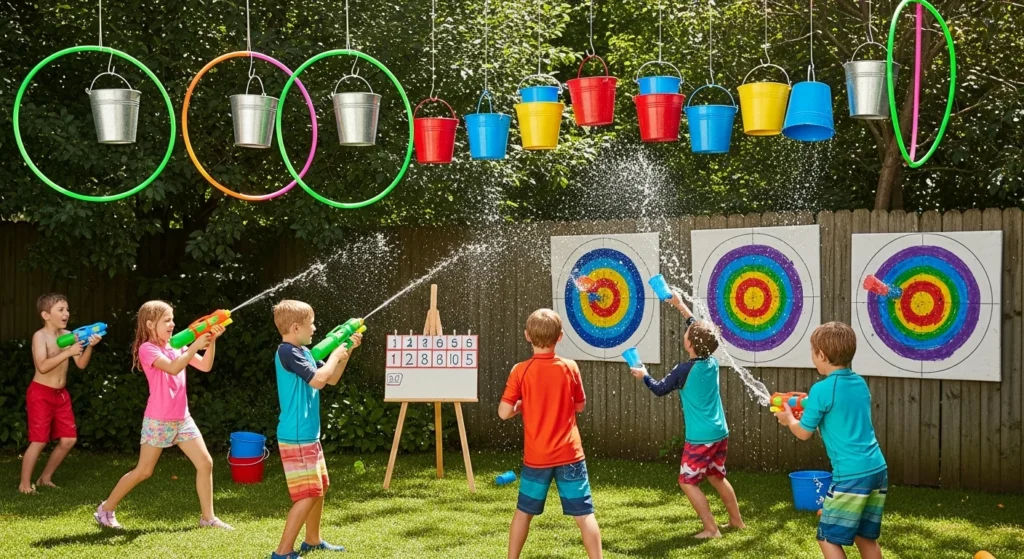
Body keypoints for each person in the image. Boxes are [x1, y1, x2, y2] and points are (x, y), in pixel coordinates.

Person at [94, 301, 231, 530]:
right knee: (144, 470)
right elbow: (173, 368)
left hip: (182, 418)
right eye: (166, 320)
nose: (172, 324)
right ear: (150, 324)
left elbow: (205, 366)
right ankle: (106, 509)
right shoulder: (148, 349)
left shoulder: (176, 345)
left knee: (205, 463)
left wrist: (211, 341)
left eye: (172, 319)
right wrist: (195, 345)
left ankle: (208, 518)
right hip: (158, 419)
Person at [630, 293, 744, 538]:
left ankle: (711, 529)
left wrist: (644, 375)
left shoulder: (684, 370)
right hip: (719, 432)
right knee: (716, 475)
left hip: (700, 438)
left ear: (690, 344)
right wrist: (680, 306)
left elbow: (660, 389)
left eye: (687, 334)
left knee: (687, 481)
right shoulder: (712, 361)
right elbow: (699, 330)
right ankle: (736, 522)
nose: (686, 333)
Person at [775, 321, 887, 559]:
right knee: (865, 537)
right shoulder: (859, 382)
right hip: (876, 469)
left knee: (826, 538)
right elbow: (839, 413)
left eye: (813, 353)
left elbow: (803, 433)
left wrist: (788, 420)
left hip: (850, 475)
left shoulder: (822, 390)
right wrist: (808, 404)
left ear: (822, 355)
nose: (813, 358)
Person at [498, 309, 602, 559]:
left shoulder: (520, 370)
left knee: (524, 512)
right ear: (561, 337)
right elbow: (580, 406)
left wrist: (521, 405)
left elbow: (503, 413)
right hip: (570, 455)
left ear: (527, 336)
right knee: (585, 515)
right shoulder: (570, 367)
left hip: (537, 458)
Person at [270, 300, 361, 559]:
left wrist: (346, 351)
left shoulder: (303, 352)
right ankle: (283, 552)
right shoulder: (288, 352)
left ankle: (312, 540)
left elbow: (330, 378)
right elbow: (318, 380)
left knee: (320, 485)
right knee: (308, 494)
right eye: (311, 324)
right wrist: (333, 356)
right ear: (296, 326)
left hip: (307, 434)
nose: (315, 328)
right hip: (296, 436)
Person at [19, 293, 102, 494]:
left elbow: (81, 364)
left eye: (67, 309)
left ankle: (45, 478)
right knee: (38, 440)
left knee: (69, 440)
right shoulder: (40, 336)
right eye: (61, 310)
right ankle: (24, 485)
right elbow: (42, 366)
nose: (66, 313)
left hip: (61, 394)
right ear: (46, 315)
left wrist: (88, 347)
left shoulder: (70, 334)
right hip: (40, 394)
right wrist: (68, 351)